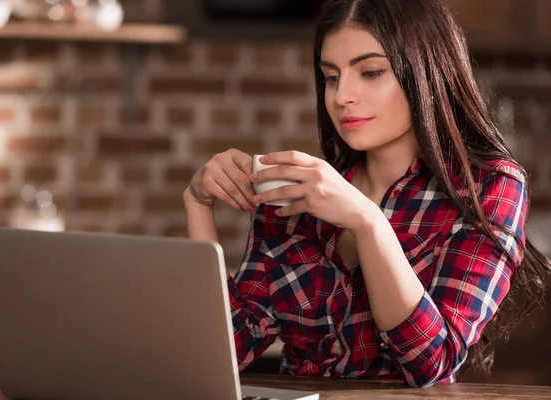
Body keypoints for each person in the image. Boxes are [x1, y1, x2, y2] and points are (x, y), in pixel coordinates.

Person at [183, 0, 551, 388]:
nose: (342, 96)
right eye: (331, 77)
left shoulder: (488, 188)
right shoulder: (297, 197)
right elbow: (232, 346)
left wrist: (368, 221)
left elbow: (430, 362)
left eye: (370, 72)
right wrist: (198, 205)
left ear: (425, 71)